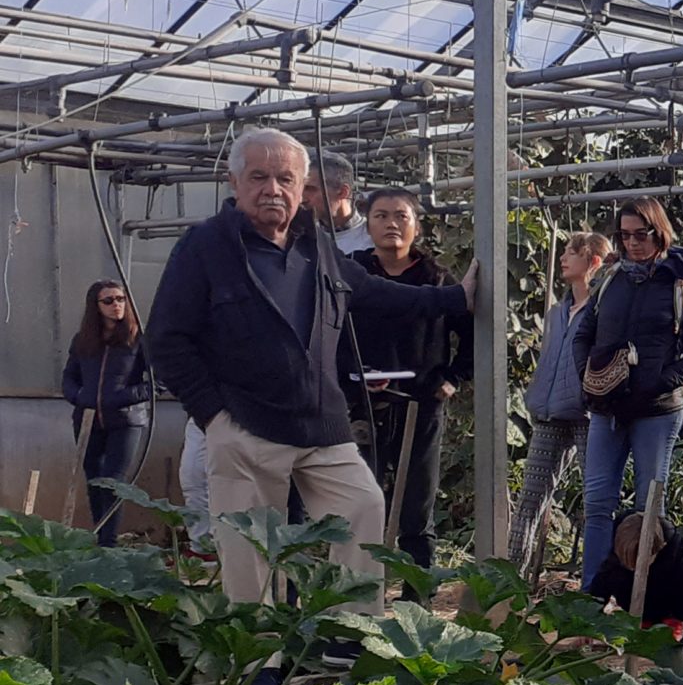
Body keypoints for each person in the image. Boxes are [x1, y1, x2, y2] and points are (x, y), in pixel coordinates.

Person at [147, 127, 469, 606]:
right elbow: (166, 338)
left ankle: (349, 629)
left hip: (321, 420)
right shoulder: (205, 247)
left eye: (285, 178)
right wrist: (214, 415)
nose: (272, 189)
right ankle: (259, 658)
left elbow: (374, 291)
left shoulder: (313, 244)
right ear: (234, 183)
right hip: (245, 420)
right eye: (259, 177)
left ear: (302, 189)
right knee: (252, 544)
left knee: (363, 505)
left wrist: (456, 297)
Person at [571, 197, 683, 593]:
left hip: (657, 410)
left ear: (659, 231)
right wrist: (589, 377)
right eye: (625, 235)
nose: (633, 243)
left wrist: (659, 382)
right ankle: (592, 600)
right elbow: (584, 332)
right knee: (598, 503)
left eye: (641, 234)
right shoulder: (611, 280)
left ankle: (645, 599)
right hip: (607, 408)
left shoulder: (682, 281)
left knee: (649, 509)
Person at [348, 186, 471, 569]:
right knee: (362, 497)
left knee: (418, 501)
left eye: (401, 216)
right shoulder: (353, 272)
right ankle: (361, 584)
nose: (391, 224)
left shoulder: (435, 279)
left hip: (421, 403)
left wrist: (452, 377)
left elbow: (471, 334)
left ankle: (418, 590)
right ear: (367, 225)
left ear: (416, 226)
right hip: (362, 403)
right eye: (381, 216)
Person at [512, 231, 610, 571]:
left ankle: (598, 582)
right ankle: (512, 580)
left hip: (588, 415)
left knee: (596, 501)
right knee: (530, 499)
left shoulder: (604, 309)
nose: (564, 258)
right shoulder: (556, 312)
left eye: (572, 252)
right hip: (550, 414)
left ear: (593, 262)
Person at [60, 279, 152, 543]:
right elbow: (69, 377)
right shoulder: (83, 340)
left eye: (121, 299)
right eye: (109, 301)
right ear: (96, 306)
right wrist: (79, 397)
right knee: (94, 480)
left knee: (113, 482)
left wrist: (124, 397)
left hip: (126, 421)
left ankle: (108, 544)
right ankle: (100, 538)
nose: (116, 306)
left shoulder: (138, 338)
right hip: (88, 420)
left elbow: (159, 381)